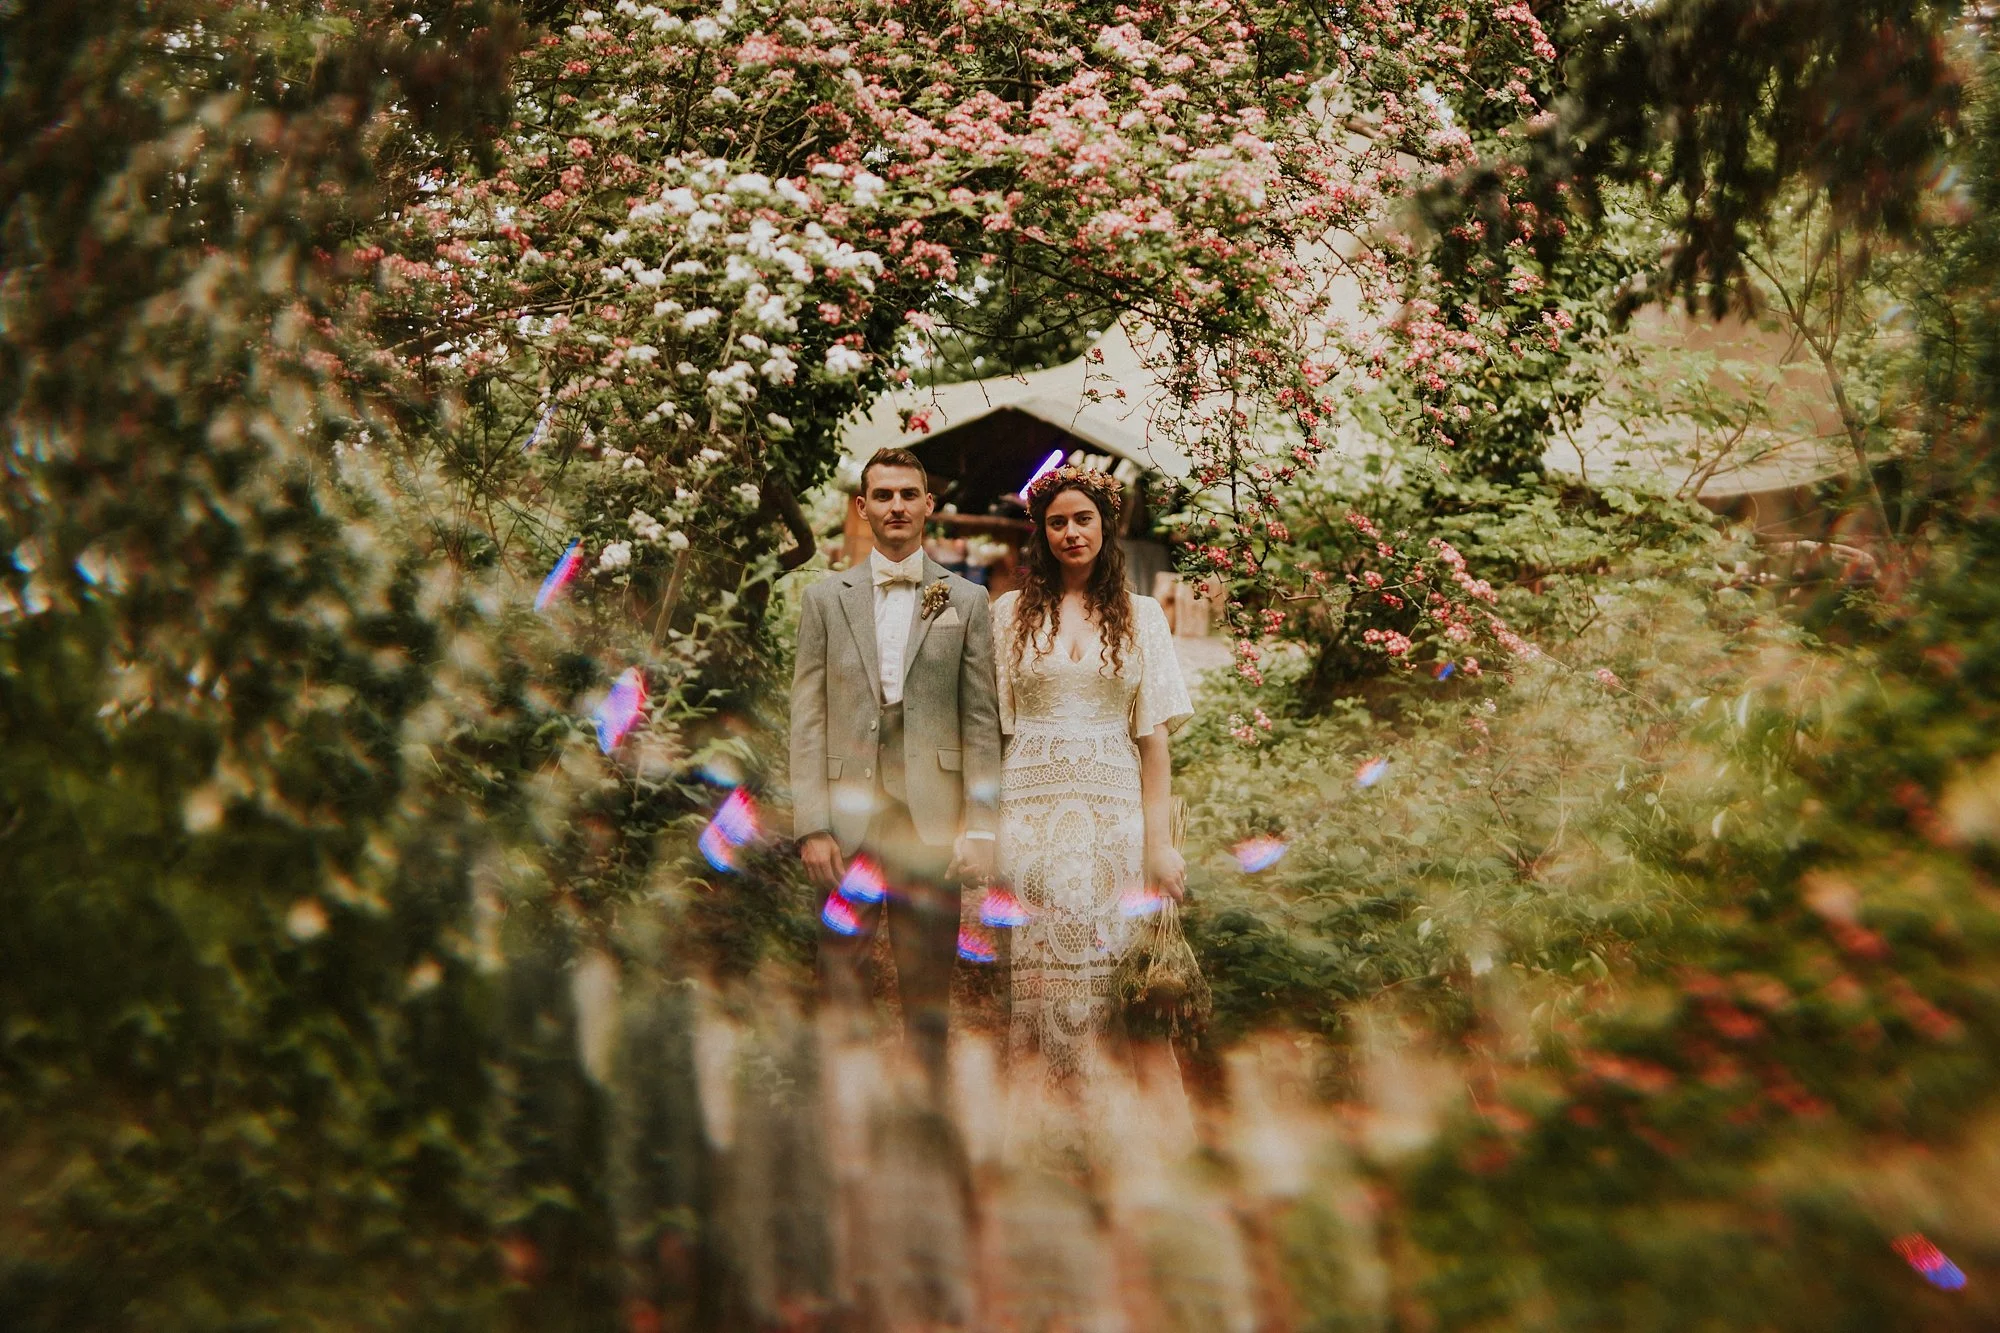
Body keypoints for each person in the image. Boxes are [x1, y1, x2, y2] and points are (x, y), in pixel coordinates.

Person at [790, 448, 1003, 1094]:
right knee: (840, 972)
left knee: (928, 980)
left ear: (929, 505)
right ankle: (841, 1107)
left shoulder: (965, 601)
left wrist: (982, 826)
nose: (897, 507)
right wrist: (812, 825)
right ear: (863, 507)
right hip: (848, 821)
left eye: (909, 494)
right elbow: (808, 719)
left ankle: (924, 1113)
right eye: (883, 495)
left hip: (931, 819)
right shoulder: (824, 599)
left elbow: (981, 723)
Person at [990, 465, 1194, 1086]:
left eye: (1083, 519)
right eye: (1057, 522)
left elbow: (1153, 740)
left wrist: (1159, 844)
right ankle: (1038, 1114)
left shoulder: (1142, 617)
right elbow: (994, 731)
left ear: (1106, 525)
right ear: (1040, 533)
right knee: (1035, 965)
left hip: (1113, 815)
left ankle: (1108, 1112)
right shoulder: (1008, 614)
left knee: (1111, 965)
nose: (1071, 533)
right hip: (1029, 813)